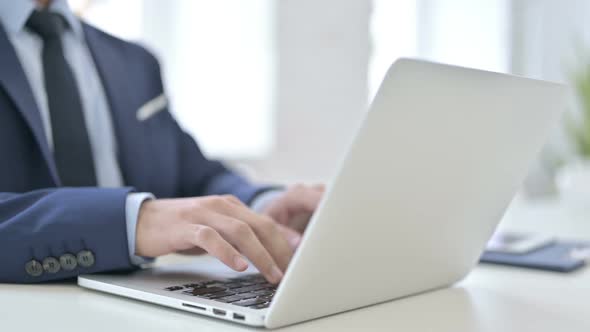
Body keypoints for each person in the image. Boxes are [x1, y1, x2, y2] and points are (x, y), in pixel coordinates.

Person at [0, 0, 324, 284]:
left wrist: (261, 209)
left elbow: (195, 175)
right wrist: (132, 221)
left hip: (141, 306)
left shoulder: (134, 62)